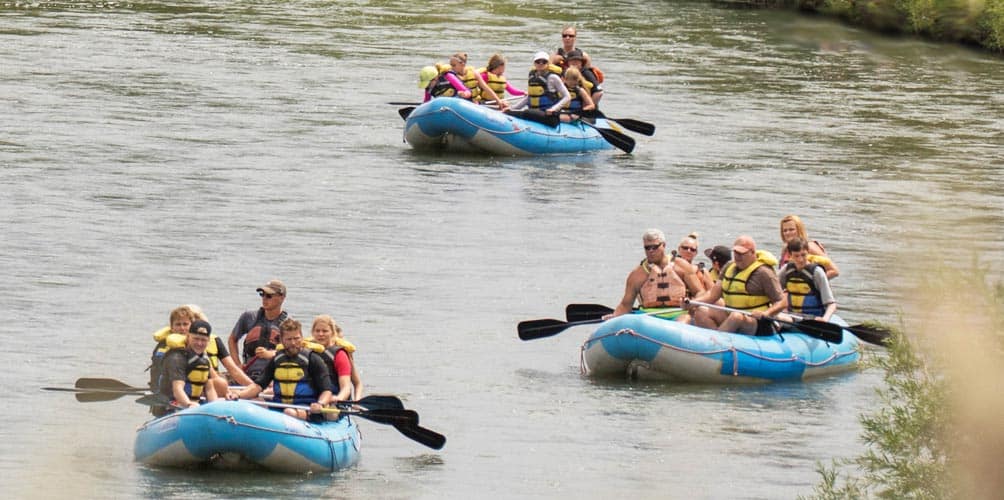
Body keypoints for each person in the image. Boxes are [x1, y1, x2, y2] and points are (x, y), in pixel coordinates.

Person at [228, 318, 335, 421]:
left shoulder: (313, 359)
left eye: (296, 338)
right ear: (282, 341)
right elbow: (258, 386)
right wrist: (238, 394)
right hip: (278, 406)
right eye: (289, 339)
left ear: (302, 338)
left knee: (289, 412)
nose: (293, 343)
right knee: (254, 402)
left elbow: (326, 390)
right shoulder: (277, 360)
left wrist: (320, 403)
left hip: (305, 408)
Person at [687, 235, 786, 335]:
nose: (737, 256)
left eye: (741, 253)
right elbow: (713, 295)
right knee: (701, 312)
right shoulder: (729, 266)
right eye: (735, 252)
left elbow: (782, 302)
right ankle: (717, 342)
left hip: (758, 322)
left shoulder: (764, 273)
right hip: (731, 316)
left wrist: (766, 313)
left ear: (752, 253)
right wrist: (692, 302)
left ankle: (716, 342)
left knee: (736, 316)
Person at [151, 306, 254, 395]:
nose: (182, 328)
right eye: (178, 324)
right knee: (220, 383)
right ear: (172, 327)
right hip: (175, 388)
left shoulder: (207, 344)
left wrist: (253, 387)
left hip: (201, 387)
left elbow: (230, 371)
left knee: (220, 382)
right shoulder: (168, 346)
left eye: (185, 324)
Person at [605, 229, 705, 321]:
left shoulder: (682, 266)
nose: (651, 251)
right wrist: (615, 317)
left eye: (655, 247)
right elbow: (625, 305)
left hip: (678, 313)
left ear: (664, 245)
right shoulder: (637, 274)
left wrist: (691, 303)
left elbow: (700, 292)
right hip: (648, 316)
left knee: (684, 319)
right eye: (647, 248)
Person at [229, 279, 290, 381]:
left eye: (269, 296)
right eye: (262, 294)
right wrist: (237, 365)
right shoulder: (248, 317)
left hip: (274, 377)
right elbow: (232, 340)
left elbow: (293, 350)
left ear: (282, 298)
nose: (264, 299)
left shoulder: (288, 324)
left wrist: (271, 354)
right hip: (248, 375)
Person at [155, 319, 220, 415]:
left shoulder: (204, 360)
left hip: (194, 405)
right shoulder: (176, 358)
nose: (199, 343)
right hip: (172, 406)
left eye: (203, 340)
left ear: (208, 341)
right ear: (188, 337)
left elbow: (210, 389)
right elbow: (177, 389)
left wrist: (216, 408)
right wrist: (189, 405)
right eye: (196, 339)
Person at [775, 238, 838, 322]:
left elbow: (831, 304)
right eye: (796, 256)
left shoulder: (817, 272)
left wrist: (825, 319)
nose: (800, 259)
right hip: (791, 316)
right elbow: (774, 290)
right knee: (774, 316)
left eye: (803, 255)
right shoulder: (786, 269)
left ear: (808, 252)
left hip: (813, 319)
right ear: (790, 255)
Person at [428, 53, 508, 111]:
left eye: (454, 65)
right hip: (461, 105)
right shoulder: (452, 76)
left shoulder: (474, 73)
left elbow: (485, 87)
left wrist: (498, 100)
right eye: (451, 65)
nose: (451, 67)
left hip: (475, 104)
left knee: (504, 105)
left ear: (462, 64)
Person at [308, 315, 362, 401]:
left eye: (325, 331)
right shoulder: (305, 350)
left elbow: (349, 386)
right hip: (310, 399)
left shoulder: (340, 354)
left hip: (334, 399)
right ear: (312, 332)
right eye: (317, 331)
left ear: (332, 333)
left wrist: (339, 398)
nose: (320, 334)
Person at [510, 51, 569, 121]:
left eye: (544, 61)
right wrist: (512, 108)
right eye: (538, 61)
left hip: (548, 116)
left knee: (527, 112)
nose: (541, 63)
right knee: (509, 112)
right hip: (533, 113)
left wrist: (553, 109)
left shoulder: (553, 77)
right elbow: (529, 98)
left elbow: (567, 96)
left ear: (548, 63)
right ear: (534, 63)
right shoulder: (532, 76)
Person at [778, 214, 839, 279]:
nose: (787, 233)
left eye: (791, 229)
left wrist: (814, 283)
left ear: (799, 230)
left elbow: (834, 271)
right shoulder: (785, 249)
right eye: (785, 230)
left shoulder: (809, 247)